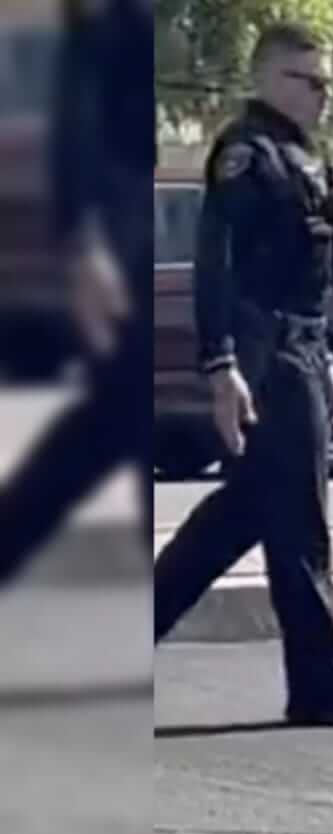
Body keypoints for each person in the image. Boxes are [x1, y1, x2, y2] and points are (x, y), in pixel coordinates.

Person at [152, 23, 333, 727]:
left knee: (241, 518)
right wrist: (222, 364)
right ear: (266, 78)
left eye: (328, 82)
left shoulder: (303, 157)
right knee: (298, 521)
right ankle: (323, 686)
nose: (322, 95)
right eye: (306, 80)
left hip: (300, 348)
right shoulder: (248, 155)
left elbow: (312, 283)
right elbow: (217, 264)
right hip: (265, 354)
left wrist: (323, 359)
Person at [0, 0, 153, 585]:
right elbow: (80, 109)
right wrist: (86, 242)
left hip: (126, 234)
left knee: (108, 430)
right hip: (121, 238)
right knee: (104, 430)